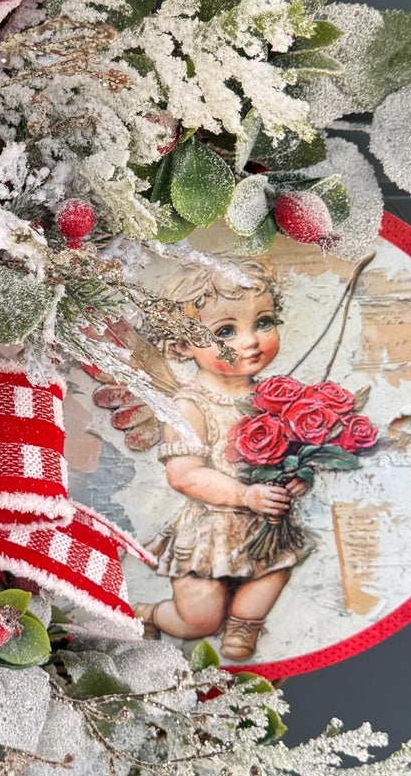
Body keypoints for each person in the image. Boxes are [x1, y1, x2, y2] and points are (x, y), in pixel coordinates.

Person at [96, 256, 308, 662]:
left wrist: (294, 479)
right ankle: (151, 612)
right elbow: (184, 474)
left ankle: (246, 624)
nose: (250, 340)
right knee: (200, 620)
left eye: (263, 322)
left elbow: (289, 456)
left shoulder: (275, 396)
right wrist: (246, 496)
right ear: (181, 344)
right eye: (226, 331)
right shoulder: (188, 406)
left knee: (274, 570)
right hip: (210, 532)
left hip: (269, 523)